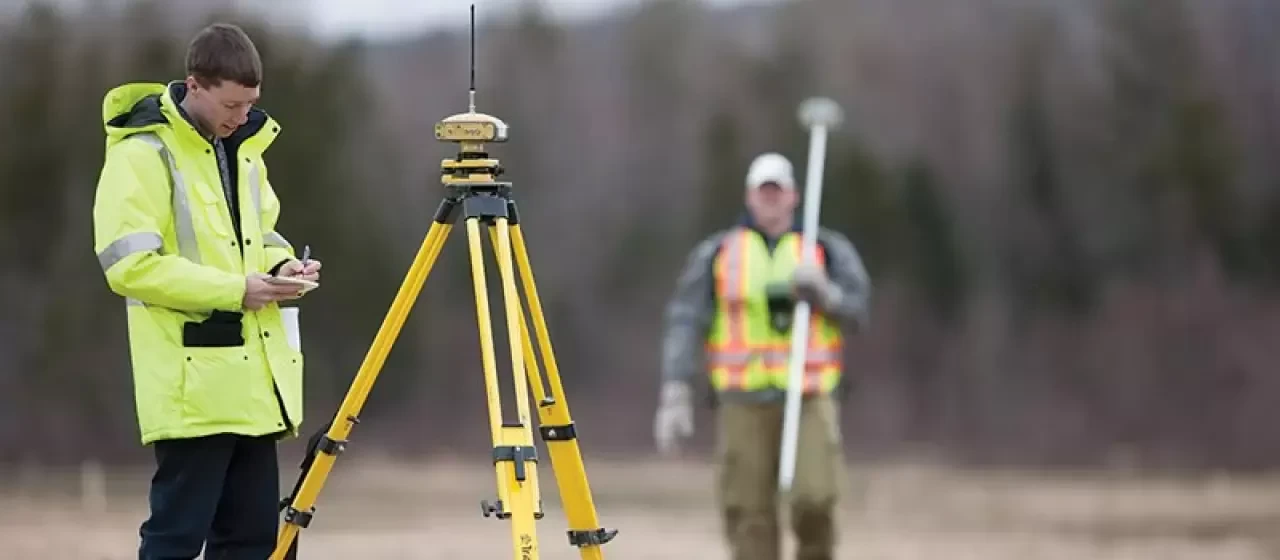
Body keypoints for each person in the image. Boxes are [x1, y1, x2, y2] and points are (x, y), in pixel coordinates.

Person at [92, 23, 319, 559]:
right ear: (194, 85)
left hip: (254, 388)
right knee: (175, 540)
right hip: (191, 389)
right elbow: (130, 266)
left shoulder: (246, 154)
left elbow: (260, 237)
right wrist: (237, 290)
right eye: (231, 104)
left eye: (250, 105)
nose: (241, 116)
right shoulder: (142, 153)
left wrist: (283, 267)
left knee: (253, 543)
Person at [653, 152, 871, 560]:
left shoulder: (823, 249)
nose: (771, 198)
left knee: (815, 498)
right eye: (763, 190)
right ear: (749, 196)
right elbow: (684, 319)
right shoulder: (718, 253)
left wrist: (827, 294)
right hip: (743, 400)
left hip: (809, 396)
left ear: (794, 196)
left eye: (778, 190)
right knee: (748, 514)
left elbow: (859, 311)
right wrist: (676, 389)